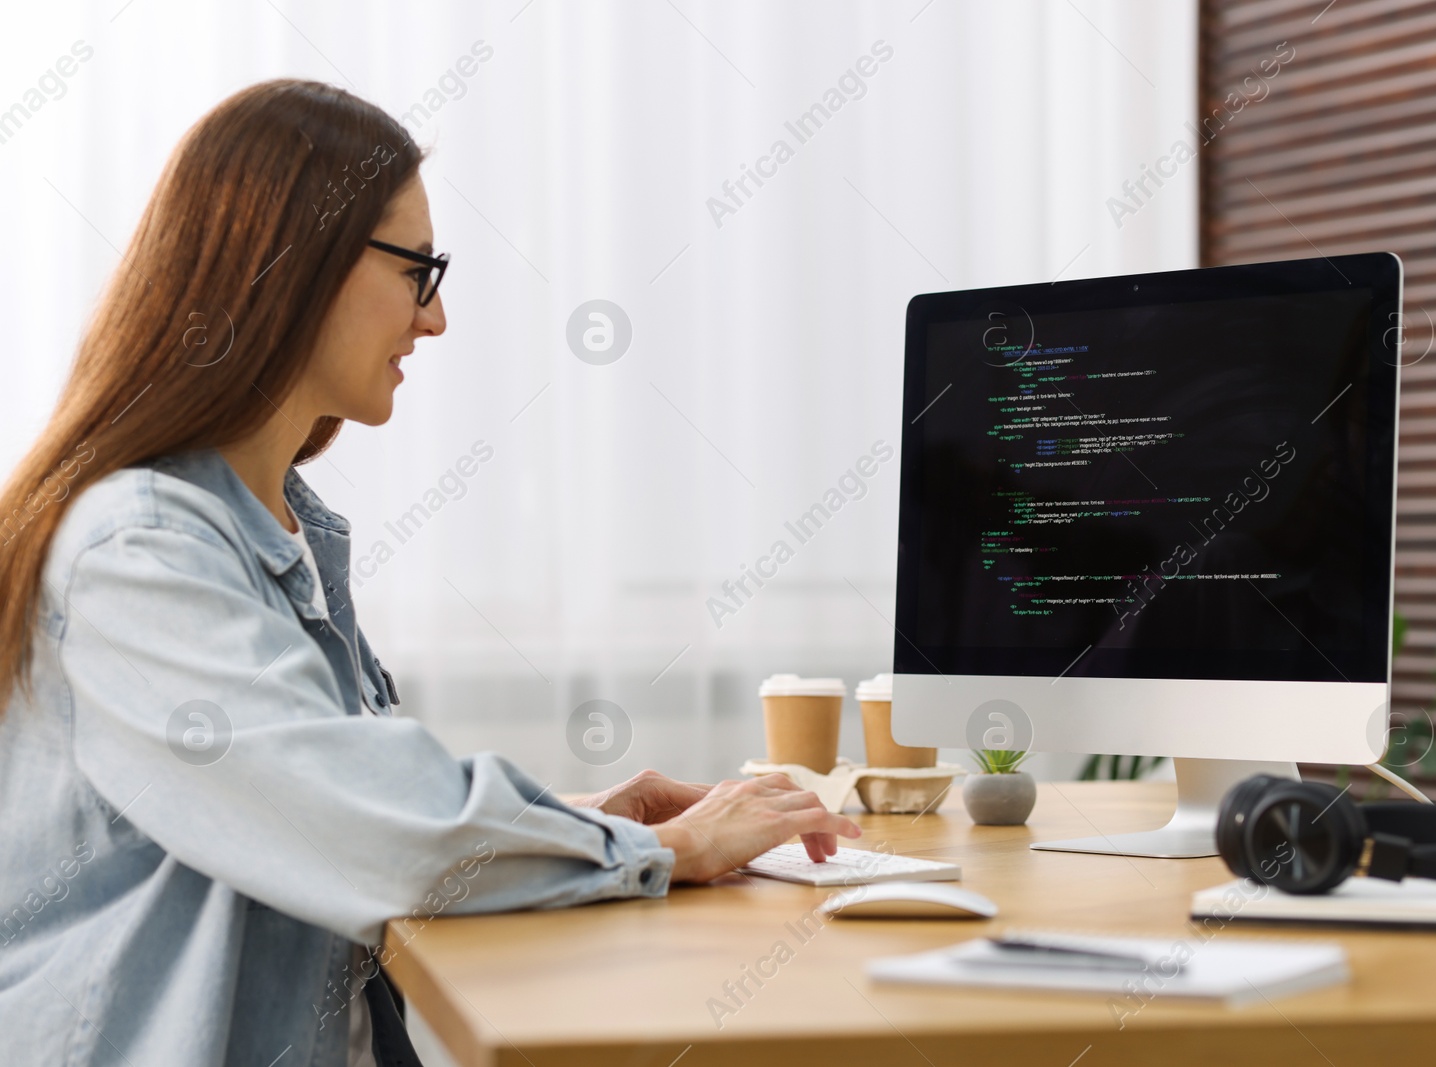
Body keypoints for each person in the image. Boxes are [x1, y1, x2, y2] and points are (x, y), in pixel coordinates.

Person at [0, 80, 859, 1067]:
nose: (437, 316)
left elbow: (327, 795)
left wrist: (591, 817)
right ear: (293, 264)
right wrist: (665, 849)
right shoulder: (138, 554)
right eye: (419, 269)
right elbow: (350, 820)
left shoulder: (275, 528)